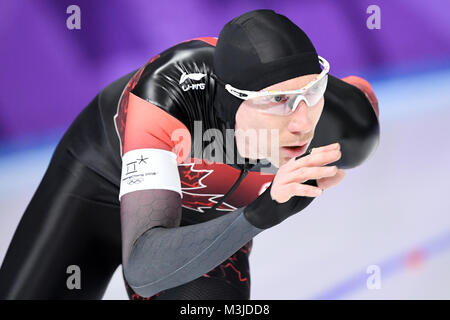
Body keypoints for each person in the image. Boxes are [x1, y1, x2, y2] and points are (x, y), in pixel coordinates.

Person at [0, 9, 379, 300]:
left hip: (200, 217)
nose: (300, 122)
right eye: (277, 101)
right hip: (98, 182)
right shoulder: (164, 97)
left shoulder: (337, 125)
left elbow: (358, 99)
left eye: (311, 94)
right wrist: (260, 213)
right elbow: (144, 268)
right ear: (231, 105)